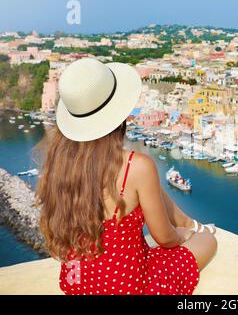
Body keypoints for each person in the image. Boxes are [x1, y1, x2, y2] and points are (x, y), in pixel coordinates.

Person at [36, 58, 217, 295]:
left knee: (147, 190)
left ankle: (186, 221)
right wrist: (182, 235)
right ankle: (189, 225)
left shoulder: (59, 164)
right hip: (130, 286)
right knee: (207, 241)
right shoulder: (136, 165)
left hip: (77, 283)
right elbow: (164, 238)